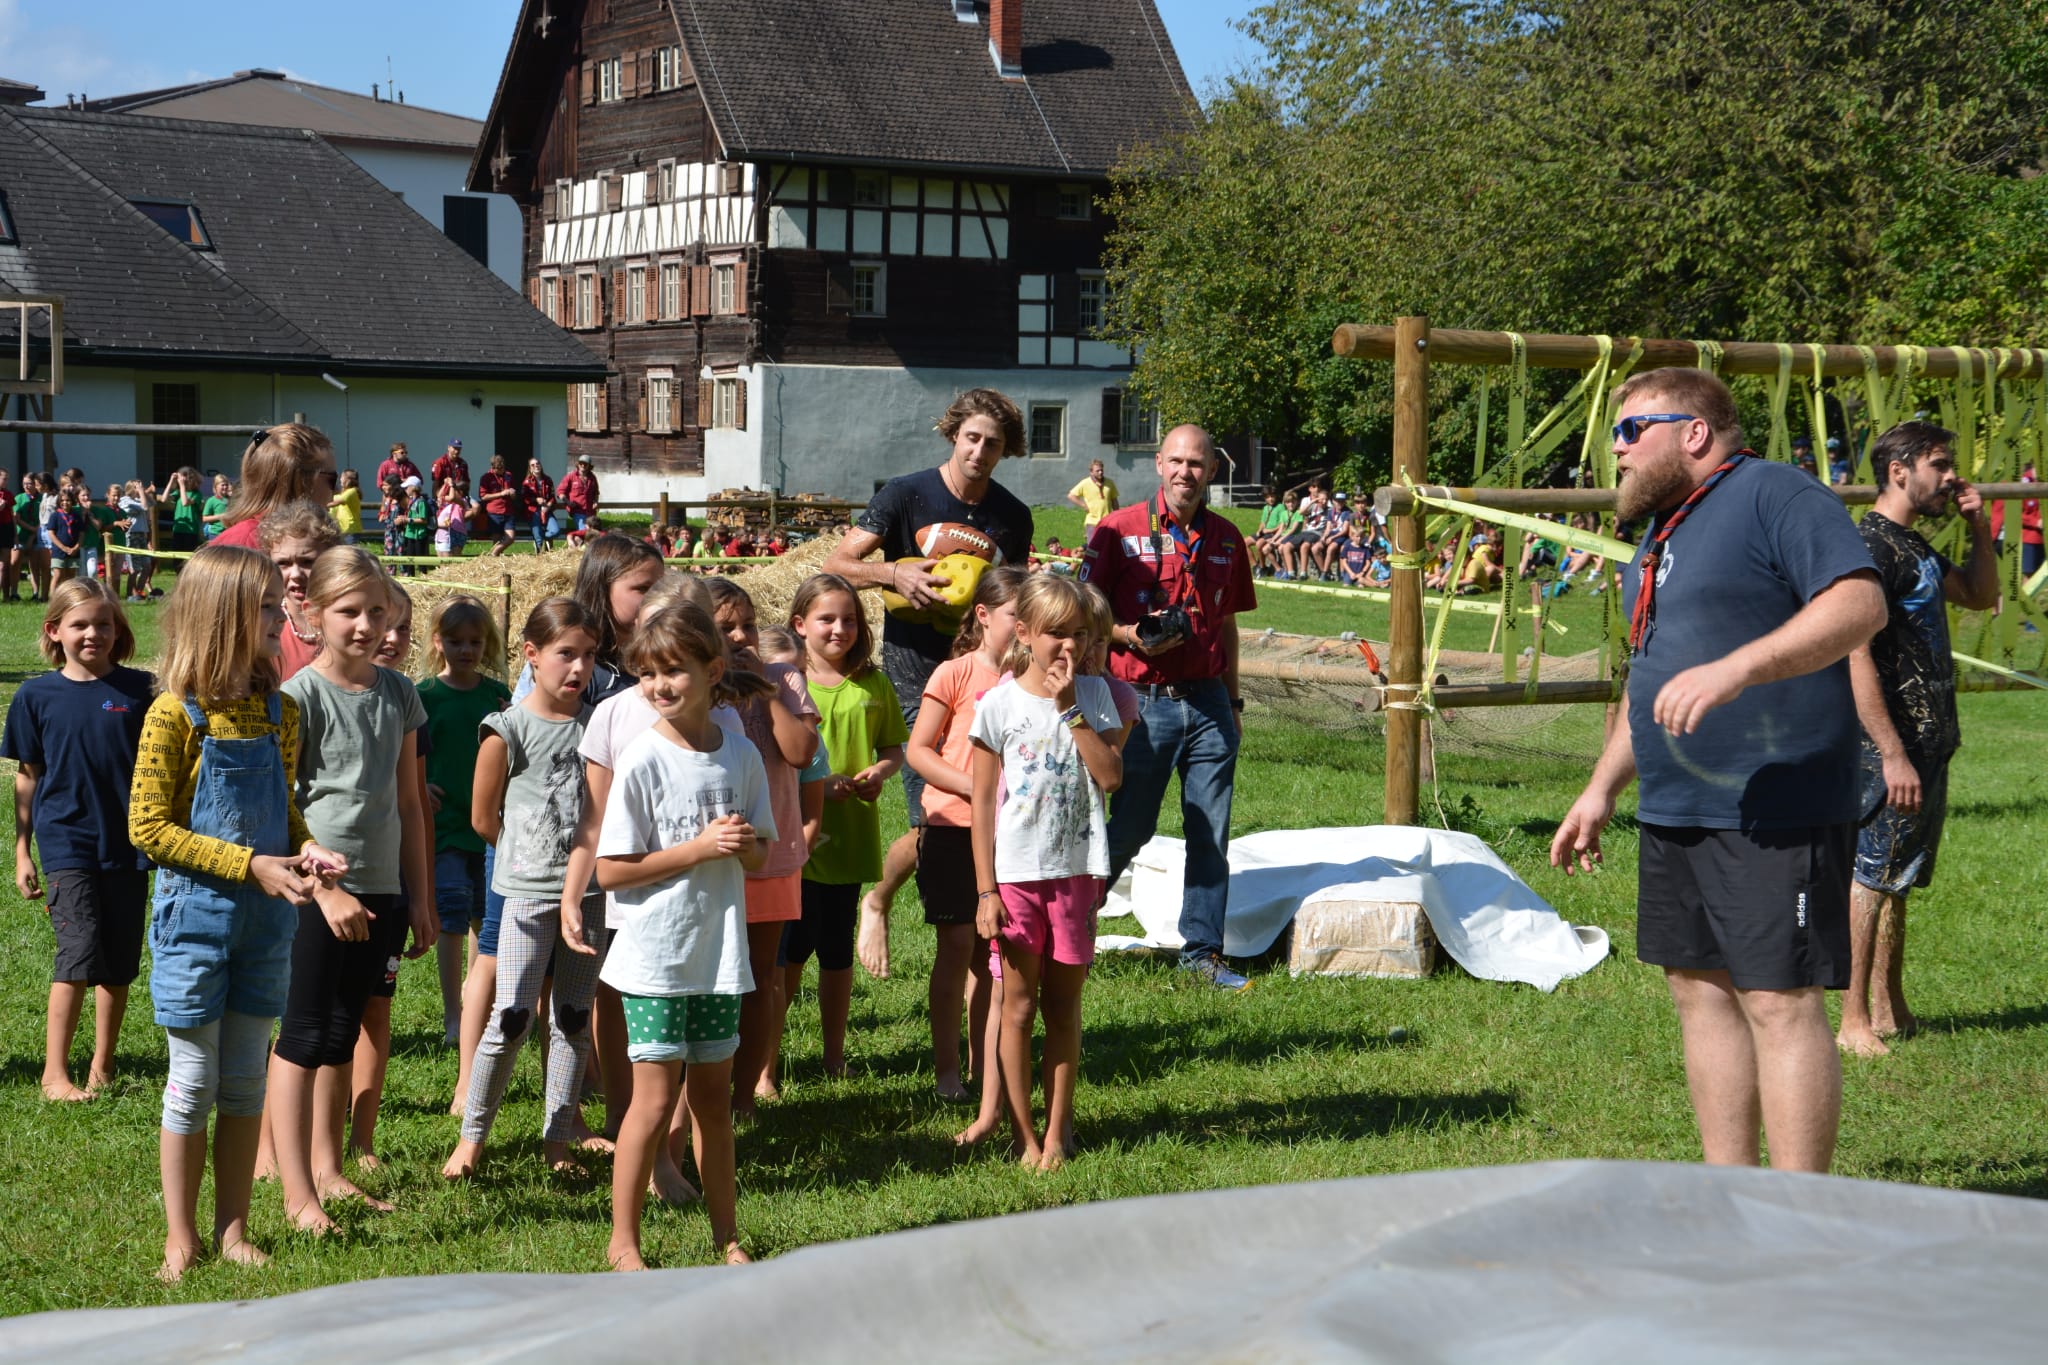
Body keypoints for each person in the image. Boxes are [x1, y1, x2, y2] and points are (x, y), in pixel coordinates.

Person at [1551, 368, 1885, 1174]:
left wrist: (1740, 668)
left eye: (1632, 431)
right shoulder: (1661, 533)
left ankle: (1797, 1211)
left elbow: (1859, 604)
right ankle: (1726, 1196)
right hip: (1678, 805)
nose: (1618, 450)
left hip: (1776, 802)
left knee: (1778, 999)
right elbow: (1652, 679)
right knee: (1699, 992)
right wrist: (1602, 787)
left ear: (1694, 431)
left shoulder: (1776, 493)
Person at [128, 544, 346, 1281]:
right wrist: (248, 864)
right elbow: (148, 828)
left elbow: (282, 808)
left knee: (247, 1079)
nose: (281, 617)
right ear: (221, 616)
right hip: (194, 924)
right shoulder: (173, 714)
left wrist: (306, 846)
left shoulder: (280, 712)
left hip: (266, 924)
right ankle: (180, 1236)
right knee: (194, 1080)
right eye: (265, 607)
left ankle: (232, 1230)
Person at [821, 389, 1032, 980]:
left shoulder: (1012, 516)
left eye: (993, 444)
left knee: (983, 815)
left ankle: (977, 945)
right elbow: (836, 564)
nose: (979, 451)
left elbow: (1016, 599)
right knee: (933, 819)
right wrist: (893, 573)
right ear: (953, 435)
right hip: (915, 677)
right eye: (972, 438)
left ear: (1005, 451)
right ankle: (884, 900)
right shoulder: (905, 494)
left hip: (986, 683)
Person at [597, 602, 775, 1271]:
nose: (658, 685)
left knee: (713, 1105)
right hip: (655, 960)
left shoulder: (742, 754)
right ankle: (623, 1243)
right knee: (651, 1102)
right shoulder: (642, 758)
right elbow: (612, 871)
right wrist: (698, 849)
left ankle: (726, 1237)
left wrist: (744, 845)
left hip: (717, 958)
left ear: (713, 671)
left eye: (673, 670)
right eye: (647, 673)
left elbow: (761, 852)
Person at [269, 548, 432, 1233]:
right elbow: (279, 803)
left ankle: (329, 1170)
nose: (366, 625)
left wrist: (418, 895)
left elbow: (410, 802)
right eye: (349, 611)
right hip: (318, 895)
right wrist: (318, 885)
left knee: (342, 1030)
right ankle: (295, 1194)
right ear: (312, 614)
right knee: (303, 1032)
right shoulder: (297, 697)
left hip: (382, 888)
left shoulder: (400, 694)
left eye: (377, 611)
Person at [1837, 421, 1997, 1057]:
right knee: (1870, 876)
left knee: (1898, 876)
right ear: (1899, 471)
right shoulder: (1870, 547)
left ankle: (1889, 1005)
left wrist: (1978, 527)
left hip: (1928, 743)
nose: (1951, 475)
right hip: (1887, 748)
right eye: (1940, 464)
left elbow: (1980, 595)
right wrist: (1892, 753)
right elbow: (1855, 653)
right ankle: (1851, 1019)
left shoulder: (1914, 545)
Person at [1081, 425, 1256, 990]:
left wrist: (1233, 702)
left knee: (1210, 832)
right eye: (1176, 461)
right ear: (1159, 464)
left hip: (1208, 701)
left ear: (1212, 471)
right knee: (1131, 826)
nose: (1186, 472)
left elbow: (1226, 627)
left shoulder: (1227, 538)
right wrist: (1129, 636)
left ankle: (1202, 953)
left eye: (1197, 464)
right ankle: (1072, 927)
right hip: (1140, 701)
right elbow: (1084, 614)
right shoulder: (1117, 529)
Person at [446, 597, 612, 1180]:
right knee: (512, 1015)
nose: (578, 668)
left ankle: (558, 1140)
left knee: (572, 1017)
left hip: (589, 897)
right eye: (566, 654)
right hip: (525, 897)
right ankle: (471, 1140)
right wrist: (527, 861)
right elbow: (482, 817)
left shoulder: (598, 729)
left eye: (589, 656)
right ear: (532, 655)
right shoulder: (507, 728)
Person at [970, 574, 1124, 1170]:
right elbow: (984, 803)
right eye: (1056, 632)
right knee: (1017, 1006)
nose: (1069, 646)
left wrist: (1071, 710)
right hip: (1015, 876)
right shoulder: (999, 704)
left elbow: (1110, 777)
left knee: (1063, 1009)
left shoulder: (1096, 694)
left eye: (1079, 634)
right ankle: (1022, 1135)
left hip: (1077, 873)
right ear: (1025, 632)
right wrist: (986, 890)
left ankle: (1058, 1133)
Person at [5, 581, 155, 1101]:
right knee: (78, 951)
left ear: (119, 629)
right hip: (67, 842)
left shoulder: (143, 690)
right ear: (54, 630)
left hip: (130, 843)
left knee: (119, 960)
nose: (93, 633)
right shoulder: (35, 696)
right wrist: (22, 851)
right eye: (80, 624)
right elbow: (28, 775)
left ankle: (102, 1065)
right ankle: (54, 1073)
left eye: (104, 624)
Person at [905, 566, 1027, 1105]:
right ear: (983, 615)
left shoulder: (1030, 680)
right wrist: (975, 789)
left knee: (991, 953)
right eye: (1015, 616)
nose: (1023, 627)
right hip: (953, 828)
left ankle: (984, 1066)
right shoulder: (954, 673)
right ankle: (947, 1069)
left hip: (1011, 834)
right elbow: (918, 750)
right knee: (957, 946)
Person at [702, 577, 819, 1121]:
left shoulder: (784, 679)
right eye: (726, 627)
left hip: (771, 853)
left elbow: (801, 753)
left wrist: (765, 691)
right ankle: (699, 1087)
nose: (741, 636)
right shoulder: (695, 685)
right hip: (709, 854)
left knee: (759, 976)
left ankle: (744, 1095)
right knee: (708, 977)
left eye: (748, 624)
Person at [790, 573, 906, 1075]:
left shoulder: (873, 683)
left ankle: (833, 1056)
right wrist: (819, 785)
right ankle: (765, 1067)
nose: (840, 629)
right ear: (800, 624)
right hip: (798, 838)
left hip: (851, 837)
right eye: (827, 619)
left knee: (837, 952)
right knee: (789, 953)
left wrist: (880, 772)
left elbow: (893, 748)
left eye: (850, 620)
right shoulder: (787, 683)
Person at [417, 596, 510, 1047]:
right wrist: (421, 785)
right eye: (456, 641)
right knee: (451, 917)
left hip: (489, 825)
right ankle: (452, 1013)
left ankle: (477, 1005)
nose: (466, 650)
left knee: (484, 917)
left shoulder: (497, 696)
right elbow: (411, 754)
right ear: (438, 642)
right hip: (447, 825)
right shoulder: (424, 696)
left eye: (475, 641)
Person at [214, 425, 341, 551]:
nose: (337, 490)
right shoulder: (244, 546)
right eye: (332, 479)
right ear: (300, 482)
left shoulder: (310, 538)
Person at [257, 502, 343, 682]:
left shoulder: (353, 620)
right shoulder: (262, 626)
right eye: (283, 563)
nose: (296, 574)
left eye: (307, 562)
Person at [1065, 458, 1120, 538]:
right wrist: (1084, 505)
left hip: (1107, 521)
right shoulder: (1085, 483)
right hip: (1092, 522)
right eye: (1097, 471)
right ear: (1091, 472)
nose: (1100, 472)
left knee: (1107, 545)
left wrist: (1117, 515)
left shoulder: (1109, 482)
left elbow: (1114, 500)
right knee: (1092, 545)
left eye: (1101, 470)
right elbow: (1071, 495)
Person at [477, 455, 520, 556]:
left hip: (508, 511)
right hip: (494, 512)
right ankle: (495, 560)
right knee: (496, 539)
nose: (501, 470)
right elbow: (483, 496)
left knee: (510, 538)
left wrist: (513, 494)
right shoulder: (486, 477)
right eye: (499, 469)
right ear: (493, 467)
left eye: (503, 468)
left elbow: (514, 494)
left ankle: (493, 553)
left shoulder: (508, 475)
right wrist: (501, 494)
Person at [44, 485, 83, 587]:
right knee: (58, 575)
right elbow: (51, 533)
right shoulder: (55, 516)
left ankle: (67, 596)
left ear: (72, 501)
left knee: (70, 576)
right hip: (58, 551)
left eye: (68, 500)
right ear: (58, 501)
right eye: (62, 500)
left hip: (73, 551)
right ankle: (53, 596)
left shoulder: (76, 516)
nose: (65, 502)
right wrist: (63, 547)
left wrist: (76, 547)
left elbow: (81, 533)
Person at [561, 455, 601, 540]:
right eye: (581, 463)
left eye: (585, 464)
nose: (583, 465)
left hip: (590, 512)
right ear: (578, 464)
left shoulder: (592, 477)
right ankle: (581, 546)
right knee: (584, 532)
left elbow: (596, 493)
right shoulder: (571, 476)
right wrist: (568, 502)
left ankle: (580, 545)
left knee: (593, 533)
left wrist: (596, 502)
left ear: (589, 466)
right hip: (577, 511)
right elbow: (560, 492)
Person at [525, 458, 559, 552]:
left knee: (556, 531)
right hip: (533, 511)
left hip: (547, 510)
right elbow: (524, 499)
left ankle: (546, 537)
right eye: (533, 465)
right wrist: (536, 500)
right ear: (530, 468)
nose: (536, 466)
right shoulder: (527, 482)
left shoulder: (548, 479)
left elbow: (552, 496)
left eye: (537, 463)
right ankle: (539, 554)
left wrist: (548, 505)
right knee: (538, 540)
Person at [168, 467, 203, 554]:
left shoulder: (197, 494)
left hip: (191, 530)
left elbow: (185, 502)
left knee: (188, 555)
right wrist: (171, 481)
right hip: (178, 529)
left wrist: (182, 486)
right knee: (177, 556)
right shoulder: (178, 492)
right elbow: (164, 498)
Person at [327, 470, 363, 547]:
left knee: (350, 551)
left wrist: (321, 504)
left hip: (351, 529)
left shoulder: (352, 492)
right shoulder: (345, 492)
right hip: (344, 529)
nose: (340, 479)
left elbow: (336, 502)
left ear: (348, 480)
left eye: (342, 477)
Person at [202, 474, 233, 541]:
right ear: (216, 486)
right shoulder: (211, 500)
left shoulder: (231, 500)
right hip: (215, 534)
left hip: (229, 533)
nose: (225, 487)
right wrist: (220, 516)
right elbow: (204, 518)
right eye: (222, 485)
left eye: (226, 485)